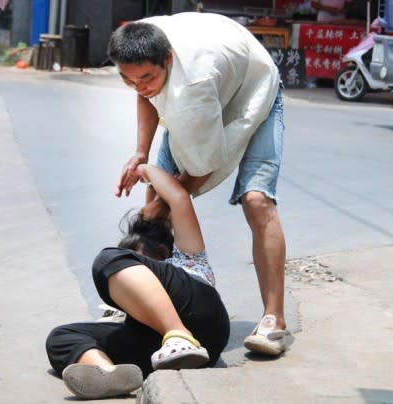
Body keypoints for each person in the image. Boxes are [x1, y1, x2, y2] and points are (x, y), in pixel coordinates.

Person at [108, 12, 288, 356]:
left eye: (147, 77)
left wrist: (164, 203)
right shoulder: (141, 44)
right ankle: (151, 296)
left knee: (256, 201)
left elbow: (206, 164)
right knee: (155, 186)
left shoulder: (193, 89)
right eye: (128, 80)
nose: (139, 86)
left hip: (254, 90)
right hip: (217, 75)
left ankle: (274, 319)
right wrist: (140, 153)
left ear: (168, 59)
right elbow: (144, 90)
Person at [46, 164, 230, 400]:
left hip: (202, 319)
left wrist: (143, 168)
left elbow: (179, 196)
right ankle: (108, 374)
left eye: (136, 259)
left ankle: (177, 333)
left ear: (163, 251)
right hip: (161, 348)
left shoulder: (186, 255)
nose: (132, 268)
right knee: (60, 337)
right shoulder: (137, 302)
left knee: (106, 258)